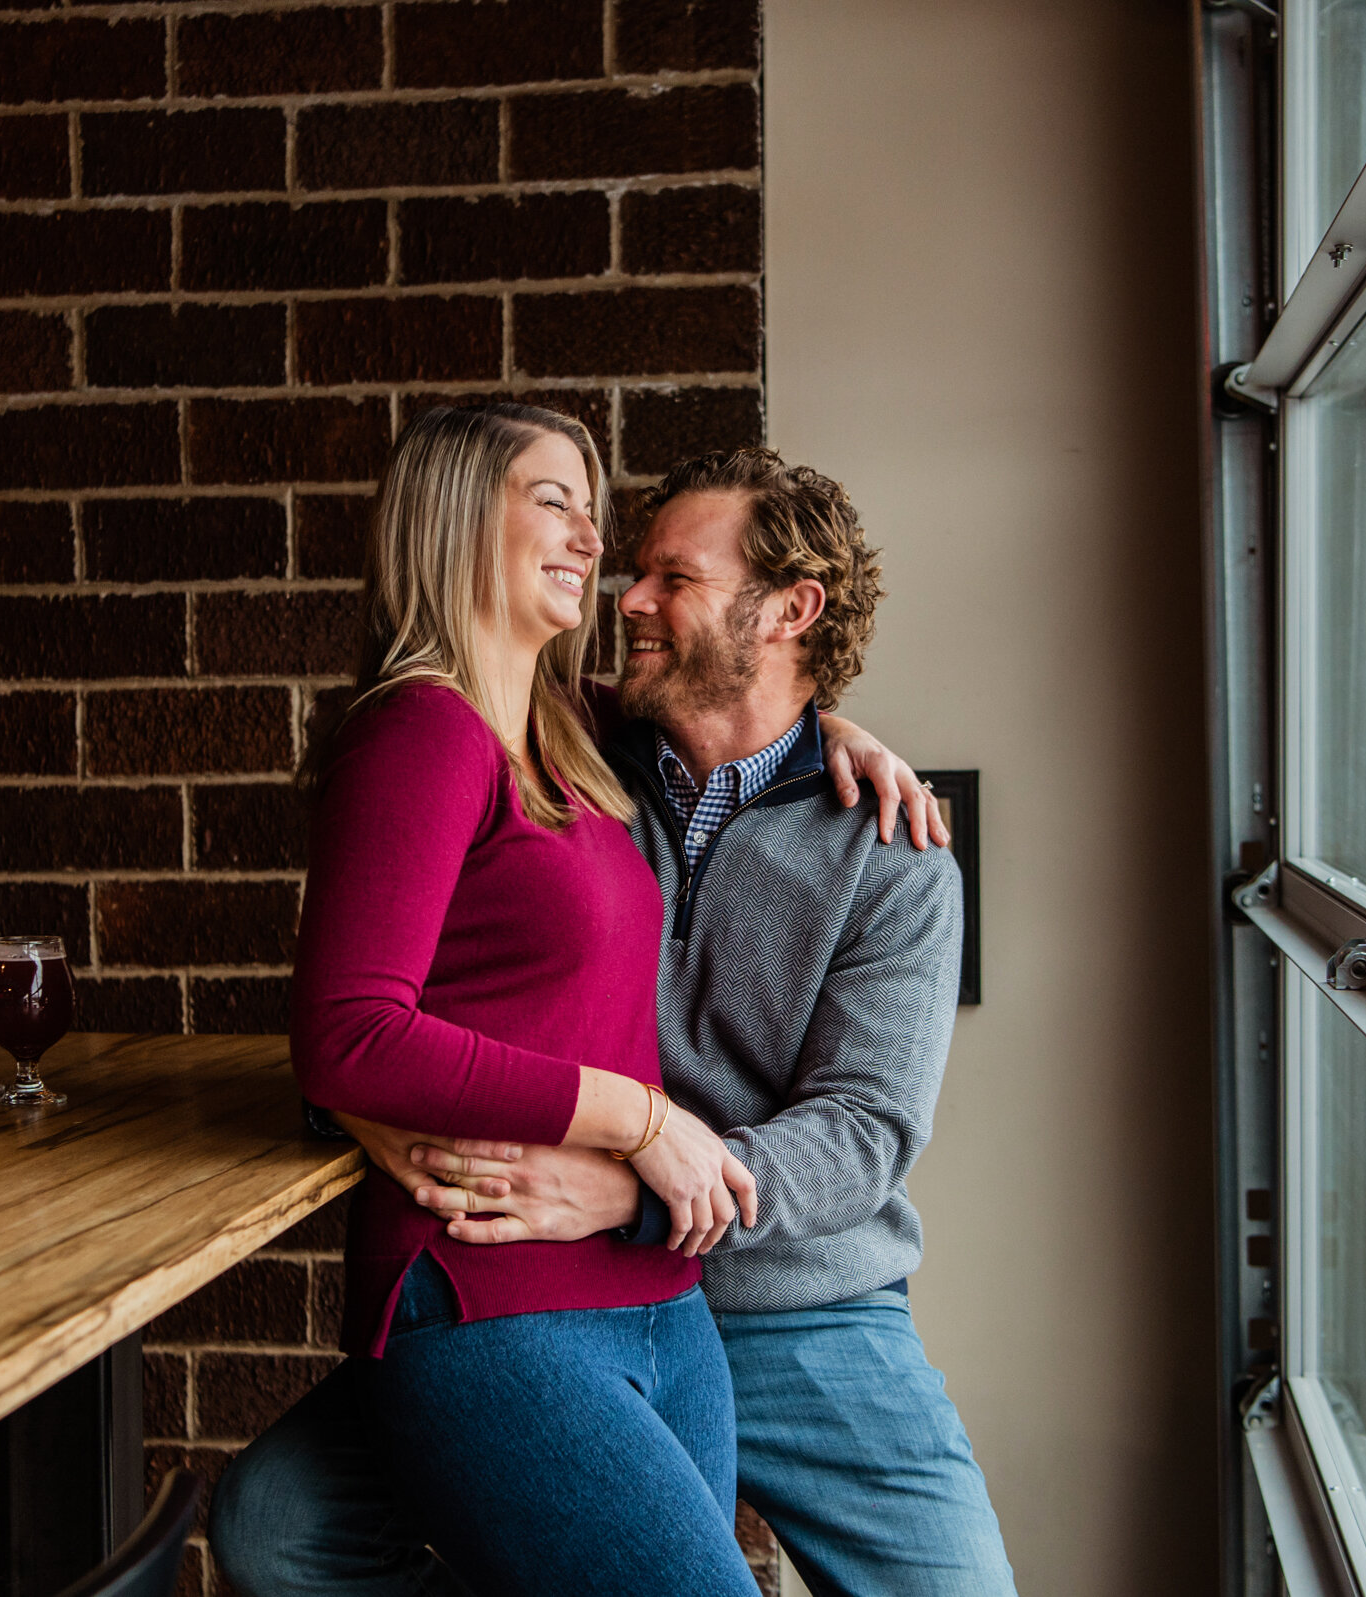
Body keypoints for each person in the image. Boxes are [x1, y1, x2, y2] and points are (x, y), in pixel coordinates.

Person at [217, 446, 1019, 1597]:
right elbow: (383, 990)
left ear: (791, 609)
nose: (626, 600)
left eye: (671, 579)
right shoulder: (573, 748)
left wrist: (644, 1192)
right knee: (276, 1523)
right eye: (631, 569)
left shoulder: (892, 855)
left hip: (800, 1305)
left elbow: (863, 1131)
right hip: (557, 1273)